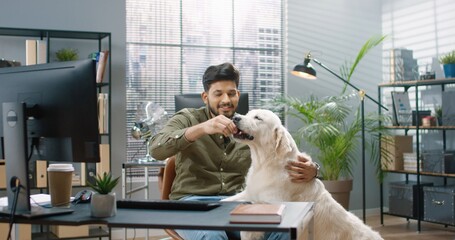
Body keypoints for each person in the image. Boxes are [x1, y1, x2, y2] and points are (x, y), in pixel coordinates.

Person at [150, 62, 318, 240]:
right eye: (218, 94)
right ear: (205, 97)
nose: (226, 100)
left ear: (238, 95)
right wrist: (202, 128)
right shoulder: (188, 118)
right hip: (193, 204)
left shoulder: (253, 127)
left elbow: (286, 154)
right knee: (213, 237)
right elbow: (156, 149)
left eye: (231, 94)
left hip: (239, 205)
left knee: (285, 231)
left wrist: (314, 170)